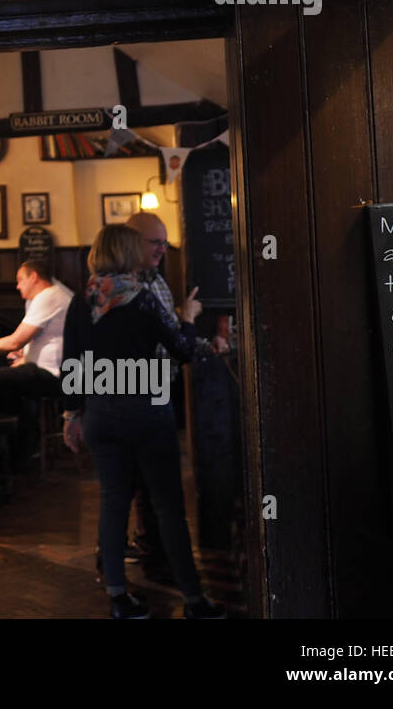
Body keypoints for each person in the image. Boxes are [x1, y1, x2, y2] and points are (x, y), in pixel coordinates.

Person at [61, 225, 225, 619]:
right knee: (167, 505)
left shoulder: (83, 301)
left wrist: (72, 415)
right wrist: (188, 316)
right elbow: (183, 350)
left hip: (100, 411)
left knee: (113, 502)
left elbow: (70, 361)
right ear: (128, 254)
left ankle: (119, 598)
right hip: (146, 408)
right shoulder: (143, 300)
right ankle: (193, 599)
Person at [123, 211, 229, 582]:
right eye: (155, 242)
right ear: (131, 241)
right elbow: (160, 344)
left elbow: (172, 341)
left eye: (164, 242)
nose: (162, 249)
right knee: (144, 479)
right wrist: (187, 319)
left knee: (150, 479)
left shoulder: (157, 281)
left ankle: (152, 550)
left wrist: (204, 344)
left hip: (157, 390)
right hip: (137, 394)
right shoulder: (125, 286)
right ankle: (149, 559)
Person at [0, 259, 72, 412]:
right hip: (48, 370)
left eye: (20, 280)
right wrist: (23, 355)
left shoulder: (49, 297)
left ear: (33, 277)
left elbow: (15, 341)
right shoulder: (48, 296)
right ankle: (18, 428)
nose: (17, 286)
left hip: (53, 375)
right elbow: (35, 337)